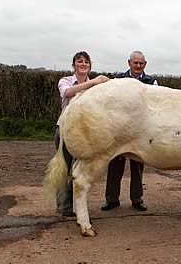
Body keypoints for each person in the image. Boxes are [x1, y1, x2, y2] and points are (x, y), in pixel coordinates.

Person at [55, 51, 110, 216]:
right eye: (80, 61)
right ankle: (64, 206)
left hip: (87, 131)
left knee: (81, 168)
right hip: (65, 129)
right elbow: (68, 93)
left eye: (86, 62)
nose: (83, 64)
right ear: (74, 65)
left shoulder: (95, 85)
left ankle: (80, 205)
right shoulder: (65, 81)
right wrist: (94, 82)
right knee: (64, 167)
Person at [101, 51, 157, 212]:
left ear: (145, 64)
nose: (138, 66)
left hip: (140, 131)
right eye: (135, 63)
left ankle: (137, 199)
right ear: (129, 63)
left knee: (138, 167)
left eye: (141, 63)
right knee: (114, 166)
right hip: (119, 130)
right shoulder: (118, 80)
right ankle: (111, 199)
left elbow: (155, 105)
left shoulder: (152, 82)